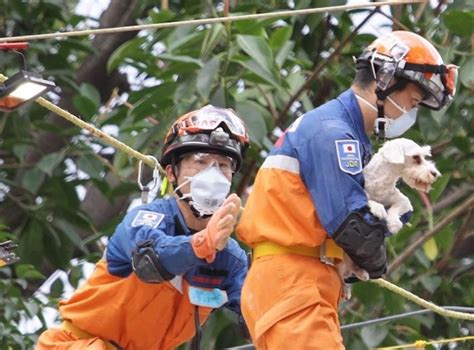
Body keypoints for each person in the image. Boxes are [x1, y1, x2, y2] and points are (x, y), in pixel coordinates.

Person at [236, 31, 457, 349]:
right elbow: (354, 227)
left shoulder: (338, 130)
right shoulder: (334, 133)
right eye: (412, 102)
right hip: (293, 284)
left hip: (294, 284)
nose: (409, 114)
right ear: (384, 80)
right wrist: (376, 255)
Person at [37, 105, 250, 350]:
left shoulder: (230, 259)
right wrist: (204, 243)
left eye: (223, 165)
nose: (213, 174)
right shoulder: (145, 219)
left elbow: (254, 309)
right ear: (172, 172)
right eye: (201, 162)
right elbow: (152, 261)